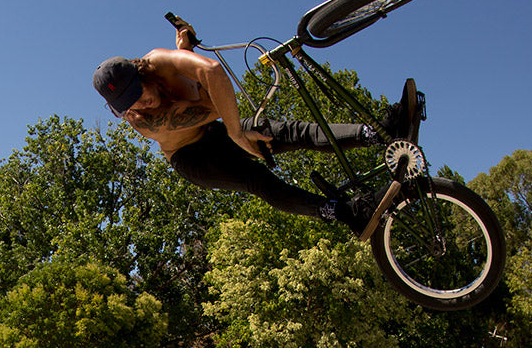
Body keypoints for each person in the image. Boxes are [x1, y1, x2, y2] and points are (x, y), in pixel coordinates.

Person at [93, 20, 412, 230]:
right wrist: (235, 130)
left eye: (138, 93)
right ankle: (349, 214)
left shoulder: (158, 62)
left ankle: (379, 133)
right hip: (192, 157)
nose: (139, 104)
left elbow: (214, 72)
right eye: (127, 105)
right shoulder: (144, 122)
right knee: (257, 180)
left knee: (289, 132)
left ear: (140, 72)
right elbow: (213, 107)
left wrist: (184, 55)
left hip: (215, 130)